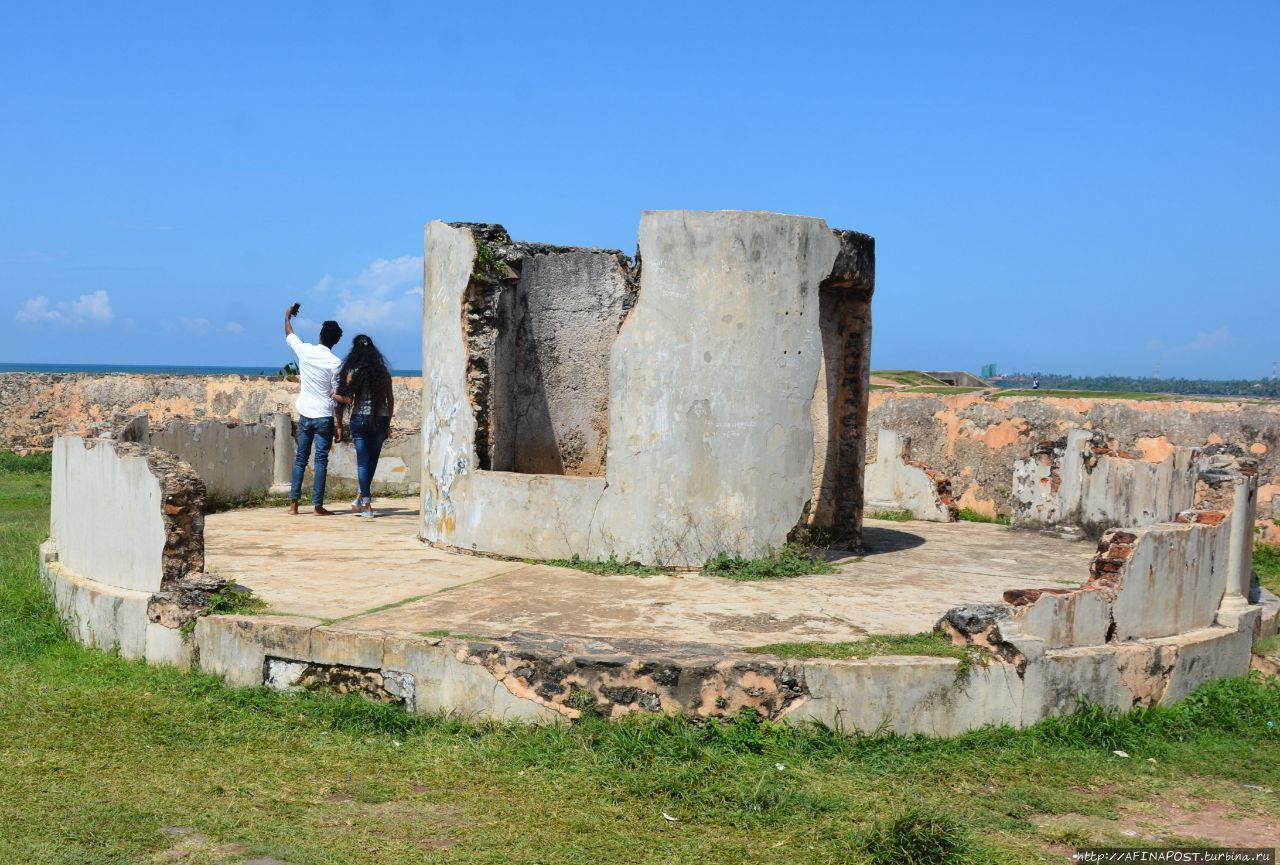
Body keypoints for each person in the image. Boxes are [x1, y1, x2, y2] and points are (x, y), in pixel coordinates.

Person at [284, 305, 344, 515]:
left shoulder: (306, 351)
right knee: (321, 461)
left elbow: (290, 334)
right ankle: (318, 506)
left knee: (301, 459)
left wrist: (287, 315)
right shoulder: (336, 362)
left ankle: (294, 506)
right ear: (335, 341)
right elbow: (336, 396)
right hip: (324, 416)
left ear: (320, 336)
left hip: (306, 414)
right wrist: (339, 424)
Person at [330, 334, 394, 518]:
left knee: (363, 463)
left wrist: (333, 395)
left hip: (360, 419)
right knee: (371, 461)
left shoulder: (352, 373)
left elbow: (348, 399)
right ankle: (361, 497)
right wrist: (388, 422)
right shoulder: (383, 373)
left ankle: (366, 503)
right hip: (380, 419)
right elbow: (390, 400)